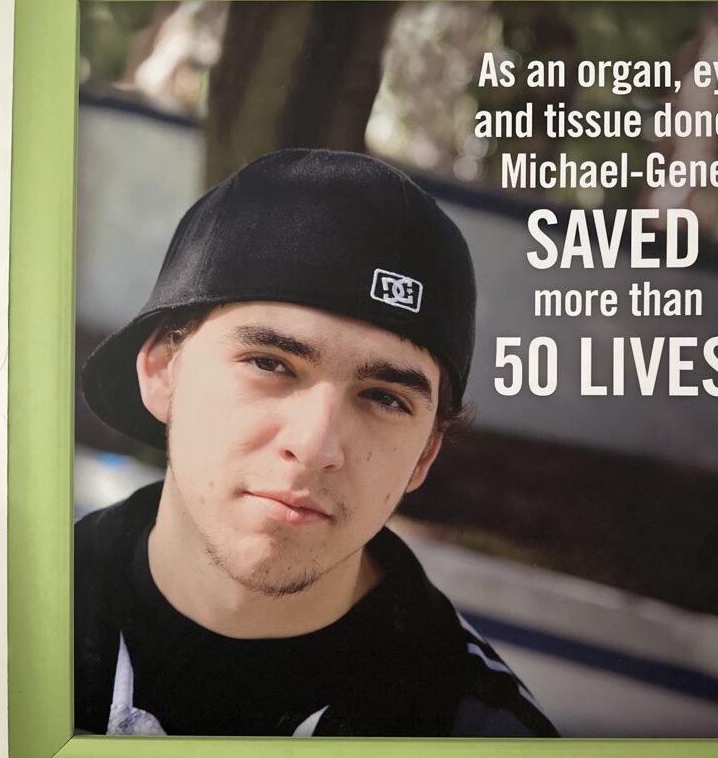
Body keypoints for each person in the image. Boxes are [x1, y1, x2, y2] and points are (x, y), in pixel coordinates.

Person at [74, 149, 559, 738]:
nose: (316, 445)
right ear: (160, 369)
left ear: (424, 456)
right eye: (269, 362)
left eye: (385, 398)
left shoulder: (481, 733)